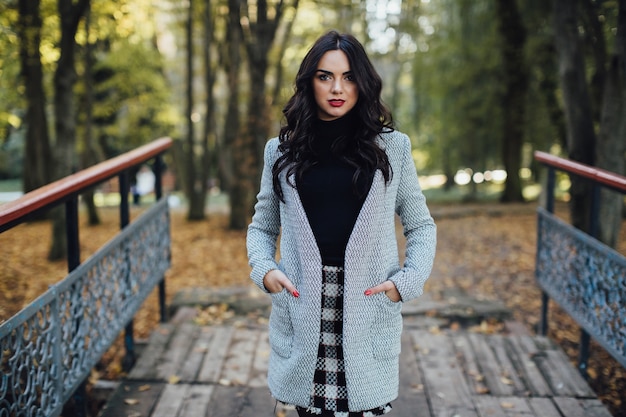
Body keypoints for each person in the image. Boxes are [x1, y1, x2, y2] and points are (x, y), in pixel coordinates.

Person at [246, 30, 437, 417]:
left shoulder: (393, 148)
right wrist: (265, 271)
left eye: (349, 77)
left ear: (363, 82)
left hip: (368, 308)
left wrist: (405, 284)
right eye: (325, 76)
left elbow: (421, 226)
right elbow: (262, 226)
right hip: (304, 307)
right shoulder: (281, 152)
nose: (337, 88)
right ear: (309, 82)